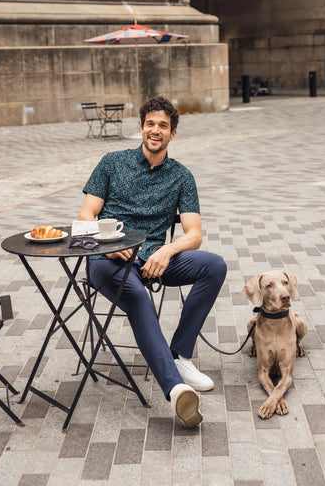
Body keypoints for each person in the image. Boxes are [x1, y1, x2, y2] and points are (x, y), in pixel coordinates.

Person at [78, 96, 227, 428]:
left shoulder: (181, 177)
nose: (155, 130)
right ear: (141, 127)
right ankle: (175, 389)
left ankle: (179, 355)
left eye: (163, 125)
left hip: (153, 261)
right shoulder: (112, 162)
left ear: (173, 133)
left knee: (214, 265)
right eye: (150, 124)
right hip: (107, 260)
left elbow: (194, 233)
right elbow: (86, 214)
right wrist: (107, 241)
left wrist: (167, 250)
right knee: (137, 296)